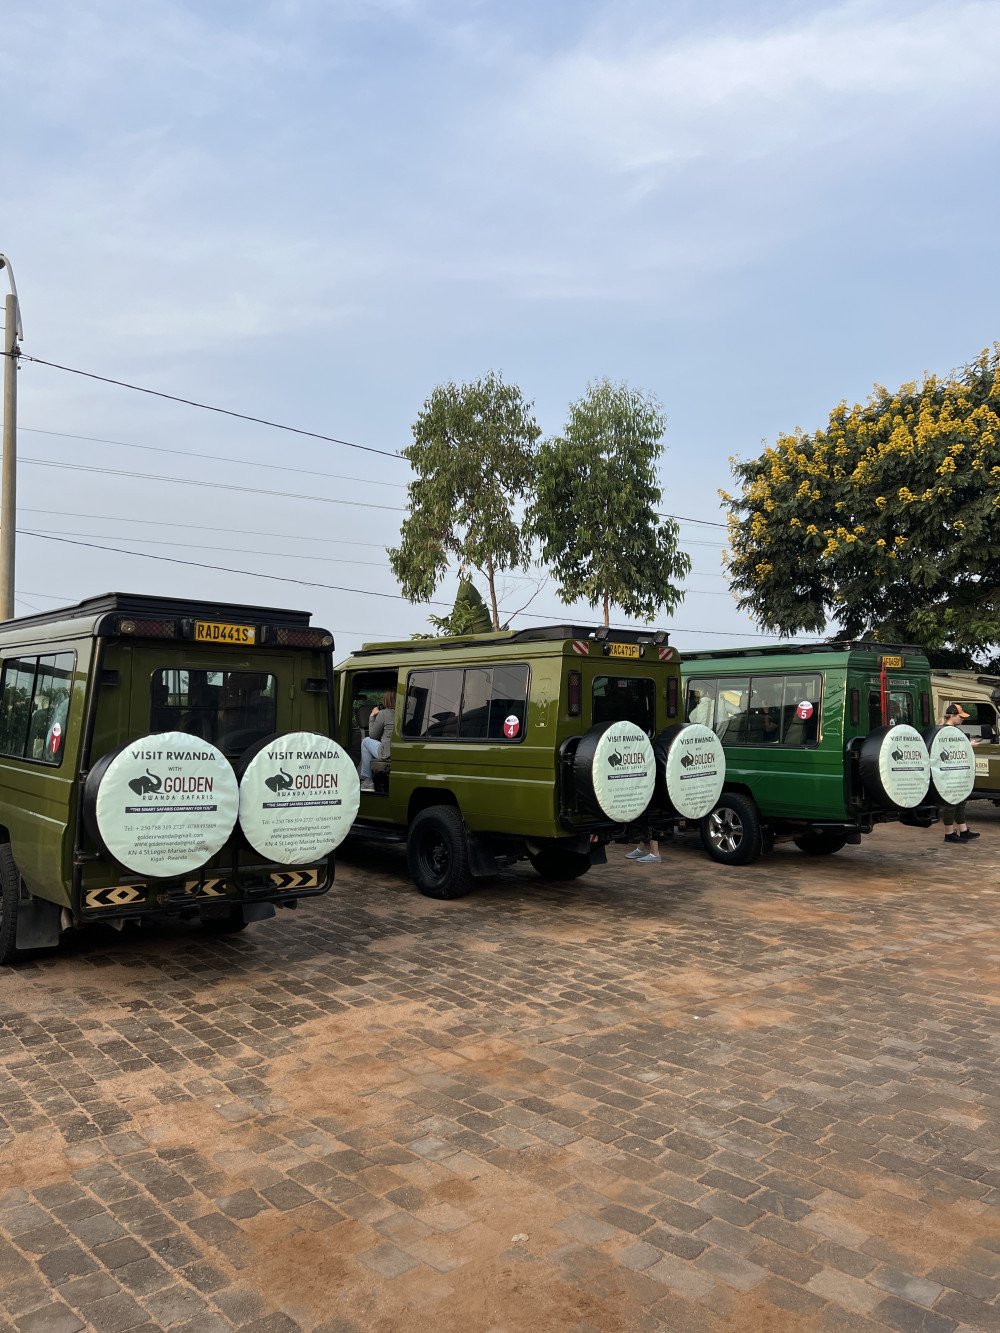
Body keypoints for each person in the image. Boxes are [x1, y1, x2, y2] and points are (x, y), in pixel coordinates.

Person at [939, 703, 981, 844]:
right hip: (949, 773)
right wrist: (969, 745)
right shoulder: (944, 731)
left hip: (958, 772)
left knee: (960, 801)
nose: (962, 719)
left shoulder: (955, 731)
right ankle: (949, 834)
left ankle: (963, 830)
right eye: (960, 717)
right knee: (950, 802)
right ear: (952, 715)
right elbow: (947, 751)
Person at [360, 689, 396, 791]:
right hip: (400, 752)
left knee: (366, 741)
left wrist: (372, 716)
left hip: (387, 753)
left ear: (386, 700)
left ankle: (368, 781)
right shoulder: (405, 715)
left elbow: (373, 735)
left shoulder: (384, 713)